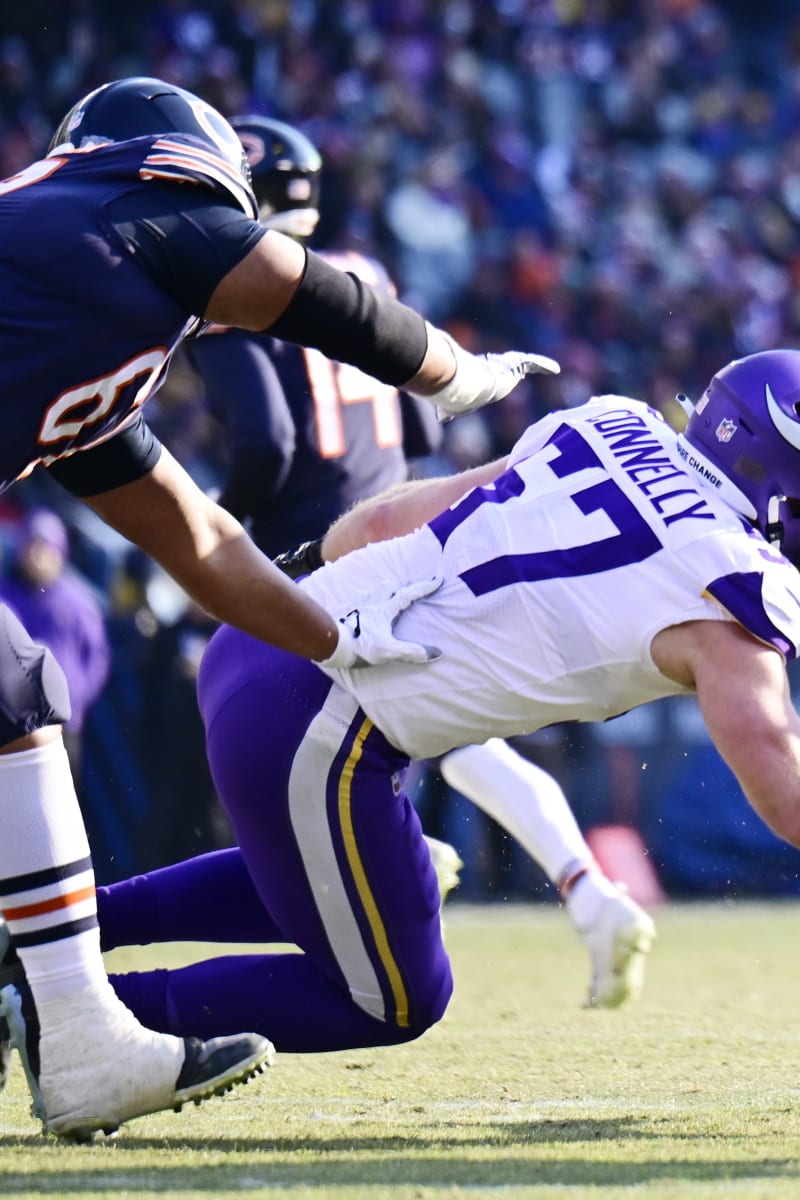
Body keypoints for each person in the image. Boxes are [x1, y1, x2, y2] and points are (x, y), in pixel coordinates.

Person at [88, 349, 800, 1057]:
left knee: (389, 876)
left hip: (267, 635)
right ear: (796, 484)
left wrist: (293, 592)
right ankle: (72, 1011)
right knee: (395, 996)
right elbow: (798, 800)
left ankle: (55, 934)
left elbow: (383, 520)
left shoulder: (609, 422)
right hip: (322, 722)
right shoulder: (736, 584)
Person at [0, 76, 557, 1139]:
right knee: (14, 694)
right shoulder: (128, 204)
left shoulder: (61, 316)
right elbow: (301, 286)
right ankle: (77, 1040)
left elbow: (203, 540)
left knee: (12, 696)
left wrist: (337, 638)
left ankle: (76, 1036)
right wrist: (455, 374)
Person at [182, 115, 653, 1011]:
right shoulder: (365, 277)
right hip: (396, 531)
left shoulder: (238, 279)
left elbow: (266, 444)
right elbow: (409, 423)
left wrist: (214, 538)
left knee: (264, 726)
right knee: (455, 732)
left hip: (311, 558)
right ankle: (580, 886)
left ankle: (406, 859)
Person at [0, 512, 110, 780]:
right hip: (11, 726)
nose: (38, 556)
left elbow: (97, 657)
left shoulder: (78, 601)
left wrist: (76, 695)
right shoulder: (4, 596)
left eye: (46, 548)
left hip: (65, 725)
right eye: (32, 546)